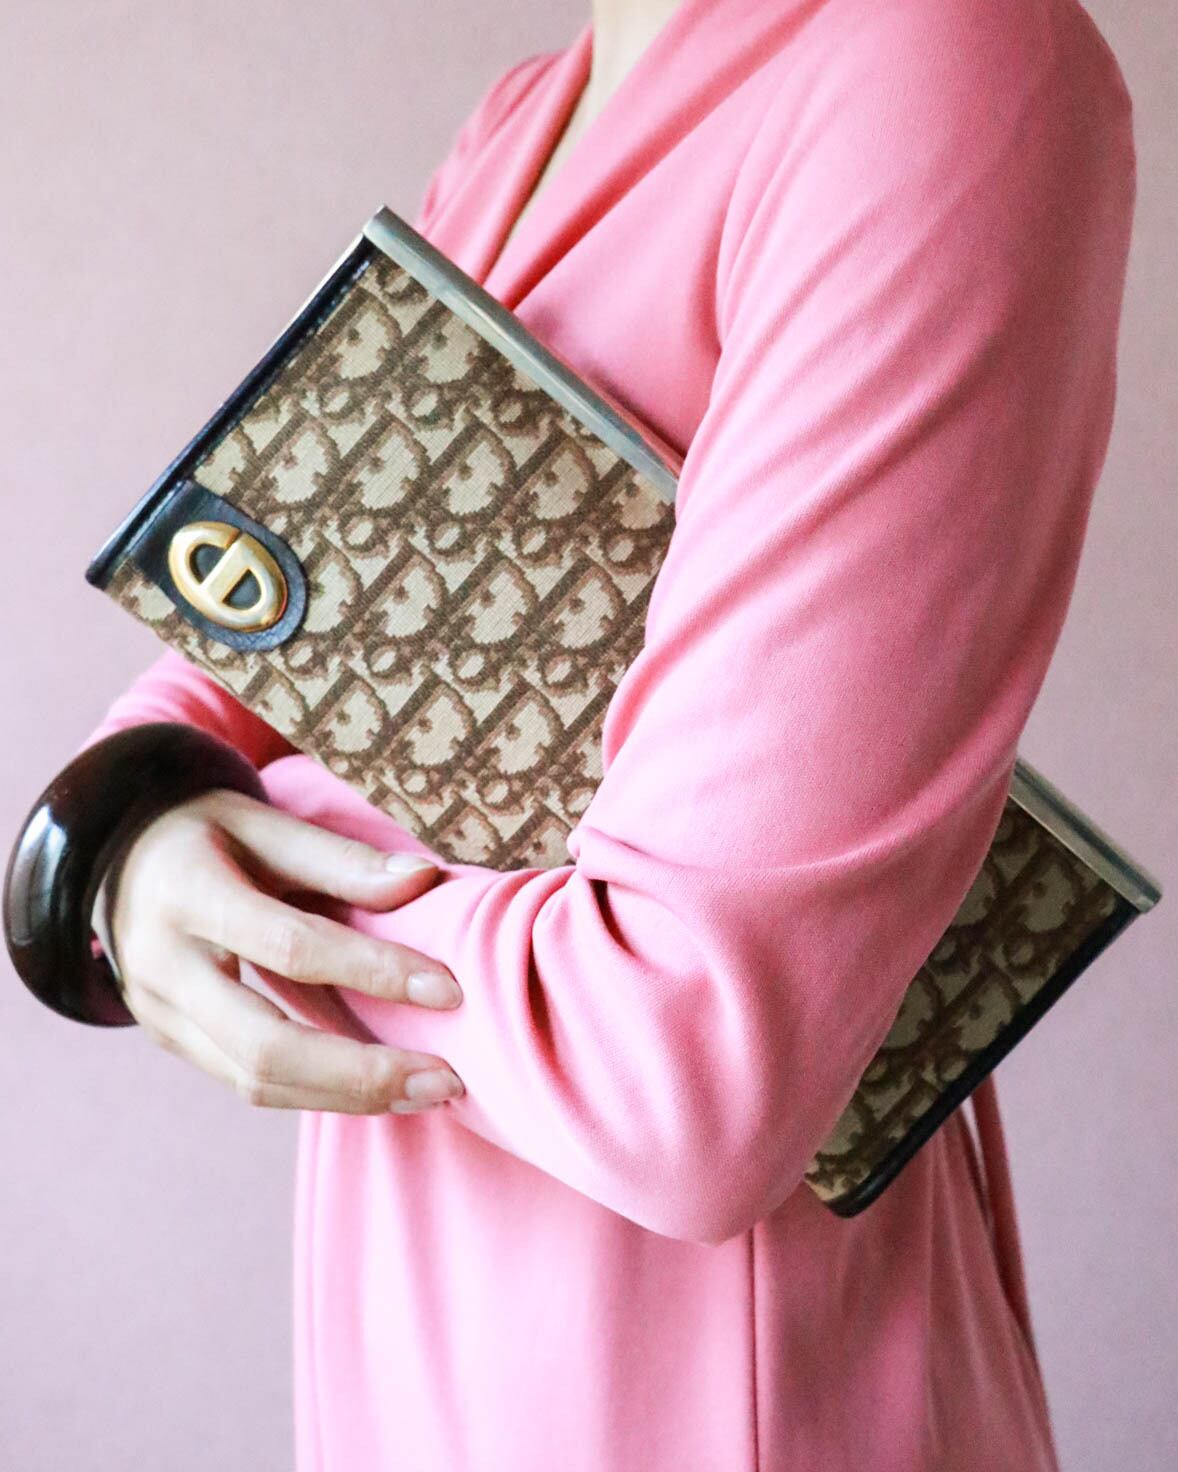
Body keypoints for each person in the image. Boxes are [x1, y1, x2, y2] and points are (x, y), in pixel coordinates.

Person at [69, 0, 1136, 1466]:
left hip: (717, 1372)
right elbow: (255, 628)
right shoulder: (524, 120)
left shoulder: (944, 58)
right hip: (419, 1295)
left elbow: (684, 1062)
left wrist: (206, 846)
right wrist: (135, 822)